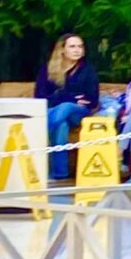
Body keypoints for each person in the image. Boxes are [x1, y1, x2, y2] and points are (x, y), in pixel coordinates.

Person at [35, 33, 98, 180]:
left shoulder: (88, 70)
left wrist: (62, 99)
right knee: (61, 125)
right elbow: (39, 97)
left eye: (80, 46)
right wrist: (68, 97)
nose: (77, 50)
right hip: (55, 111)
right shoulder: (48, 69)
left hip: (79, 113)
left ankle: (37, 135)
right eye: (72, 46)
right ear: (62, 49)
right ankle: (59, 173)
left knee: (66, 107)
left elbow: (92, 100)